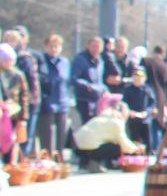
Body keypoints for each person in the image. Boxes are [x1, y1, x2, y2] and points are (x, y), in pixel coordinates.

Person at [73, 93, 140, 172]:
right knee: (116, 147)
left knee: (103, 143)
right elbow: (124, 143)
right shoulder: (116, 122)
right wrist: (136, 149)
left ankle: (88, 163)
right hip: (88, 148)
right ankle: (94, 164)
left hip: (76, 147)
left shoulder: (102, 117)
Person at [33, 35, 72, 165]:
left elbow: (67, 80)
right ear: (45, 47)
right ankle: (47, 160)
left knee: (61, 133)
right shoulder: (41, 60)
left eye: (57, 46)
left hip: (62, 100)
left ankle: (59, 160)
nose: (54, 49)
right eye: (51, 46)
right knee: (47, 134)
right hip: (47, 100)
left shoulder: (64, 62)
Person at [71, 35, 111, 126]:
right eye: (94, 46)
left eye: (98, 47)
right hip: (85, 99)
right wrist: (87, 86)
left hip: (98, 100)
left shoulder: (100, 61)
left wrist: (105, 90)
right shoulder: (80, 59)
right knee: (87, 125)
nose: (96, 49)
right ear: (88, 46)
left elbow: (100, 81)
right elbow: (74, 78)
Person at [0, 43, 28, 167]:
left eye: (11, 60)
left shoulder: (18, 75)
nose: (9, 63)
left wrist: (24, 118)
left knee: (12, 141)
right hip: (1, 113)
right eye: (6, 60)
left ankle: (10, 167)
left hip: (14, 114)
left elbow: (24, 97)